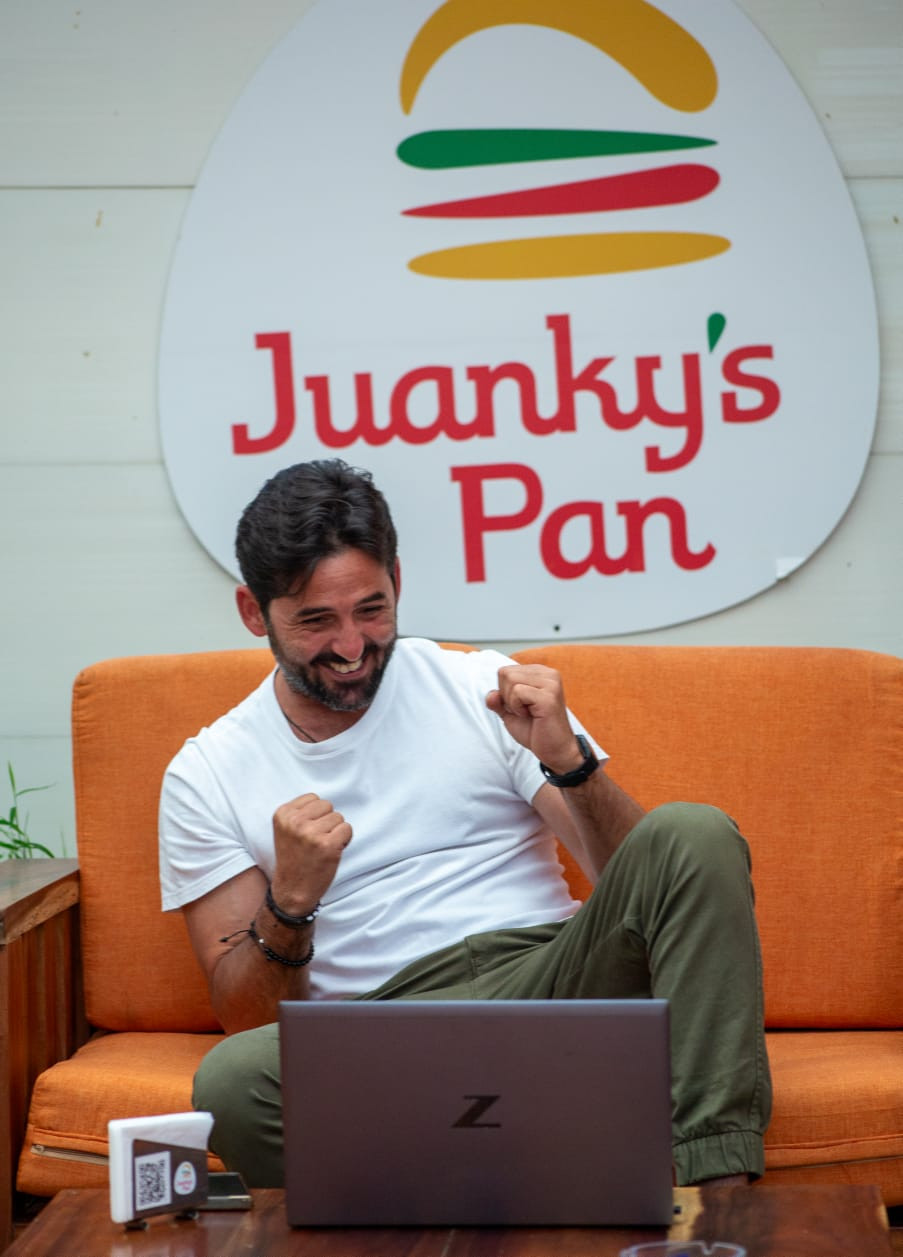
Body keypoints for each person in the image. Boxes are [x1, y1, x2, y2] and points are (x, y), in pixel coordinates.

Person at [159, 458, 771, 1189]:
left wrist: (571, 764)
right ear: (253, 612)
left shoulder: (476, 686)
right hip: (384, 1032)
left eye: (371, 609)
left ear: (397, 580)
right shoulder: (206, 772)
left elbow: (636, 880)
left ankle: (717, 1194)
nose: (351, 646)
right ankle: (543, 1160)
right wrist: (290, 900)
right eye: (316, 620)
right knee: (231, 1082)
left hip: (554, 985)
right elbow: (246, 1019)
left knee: (694, 833)